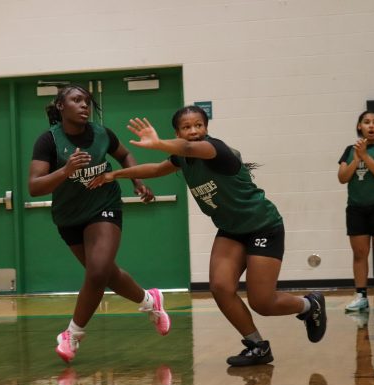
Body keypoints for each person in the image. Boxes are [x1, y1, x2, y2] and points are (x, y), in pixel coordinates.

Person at [88, 105, 327, 366]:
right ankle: (257, 345)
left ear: (206, 128)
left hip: (263, 226)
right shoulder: (182, 158)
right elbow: (156, 169)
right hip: (231, 230)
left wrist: (158, 143)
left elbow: (189, 148)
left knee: (262, 302)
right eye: (186, 127)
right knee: (221, 288)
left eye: (198, 125)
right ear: (177, 131)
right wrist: (114, 174)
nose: (193, 131)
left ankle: (309, 305)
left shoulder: (215, 150)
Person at [28, 84, 171, 363]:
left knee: (97, 272)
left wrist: (136, 180)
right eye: (77, 100)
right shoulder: (48, 141)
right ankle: (150, 301)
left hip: (104, 207)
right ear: (61, 106)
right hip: (69, 217)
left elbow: (124, 155)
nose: (84, 105)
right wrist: (66, 170)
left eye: (88, 101)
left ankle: (72, 334)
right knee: (104, 273)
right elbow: (35, 187)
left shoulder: (102, 134)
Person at [337, 110, 374, 313]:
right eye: (367, 122)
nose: (371, 125)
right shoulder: (349, 150)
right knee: (359, 253)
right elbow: (342, 177)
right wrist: (356, 158)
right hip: (356, 208)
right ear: (359, 126)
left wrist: (365, 156)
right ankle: (360, 295)